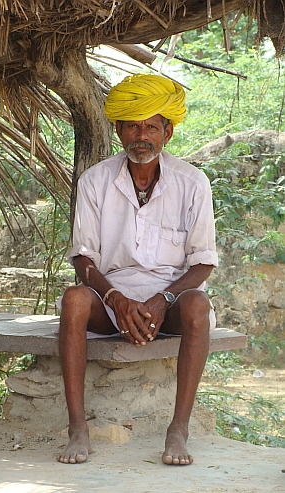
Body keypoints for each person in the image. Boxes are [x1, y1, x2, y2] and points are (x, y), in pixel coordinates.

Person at [56, 74, 218, 466]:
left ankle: (178, 430)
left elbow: (203, 262)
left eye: (151, 126)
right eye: (133, 125)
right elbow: (82, 256)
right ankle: (78, 427)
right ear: (118, 129)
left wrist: (163, 300)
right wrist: (114, 297)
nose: (141, 135)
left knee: (199, 306)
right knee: (74, 299)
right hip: (111, 298)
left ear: (168, 132)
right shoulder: (95, 181)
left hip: (170, 301)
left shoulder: (193, 183)